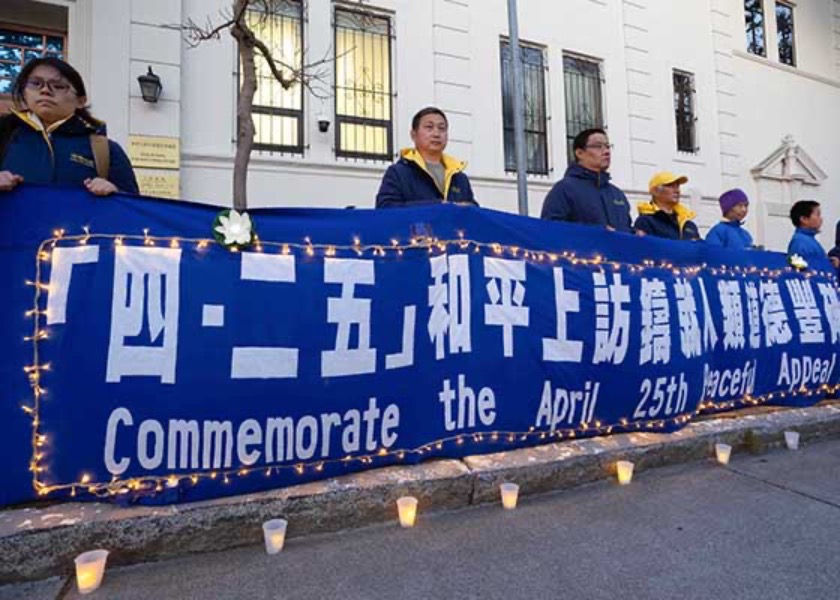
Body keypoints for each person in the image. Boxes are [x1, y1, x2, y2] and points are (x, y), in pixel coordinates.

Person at [0, 57, 138, 195]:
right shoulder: (5, 134)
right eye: (36, 83)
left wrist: (115, 193)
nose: (45, 90)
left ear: (80, 101)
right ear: (24, 93)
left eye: (58, 86)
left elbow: (133, 207)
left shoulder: (105, 150)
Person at [376, 107, 475, 208]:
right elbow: (385, 208)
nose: (436, 134)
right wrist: (437, 206)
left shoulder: (459, 177)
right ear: (413, 135)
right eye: (429, 127)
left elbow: (475, 213)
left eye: (441, 128)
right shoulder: (398, 173)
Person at [540, 128, 633, 233]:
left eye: (607, 146)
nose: (606, 151)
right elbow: (550, 229)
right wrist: (593, 233)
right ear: (579, 153)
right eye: (598, 146)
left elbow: (626, 230)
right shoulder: (564, 189)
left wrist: (636, 234)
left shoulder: (617, 194)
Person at [634, 172, 700, 241]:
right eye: (671, 186)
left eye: (677, 186)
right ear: (655, 191)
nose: (677, 191)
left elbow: (700, 249)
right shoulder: (646, 221)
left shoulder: (688, 224)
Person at [787, 200, 827, 264]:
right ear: (804, 219)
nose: (821, 218)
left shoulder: (809, 239)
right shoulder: (800, 242)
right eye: (818, 215)